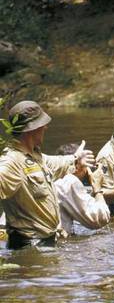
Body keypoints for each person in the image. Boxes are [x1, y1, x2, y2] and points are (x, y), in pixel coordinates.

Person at [0, 100, 95, 248]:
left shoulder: (34, 156)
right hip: (28, 246)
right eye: (42, 124)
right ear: (32, 129)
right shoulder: (11, 161)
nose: (46, 127)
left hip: (44, 245)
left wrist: (77, 159)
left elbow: (56, 163)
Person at [53, 142, 111, 234]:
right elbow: (101, 218)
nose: (88, 168)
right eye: (86, 164)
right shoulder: (69, 182)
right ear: (76, 165)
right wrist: (97, 188)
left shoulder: (54, 179)